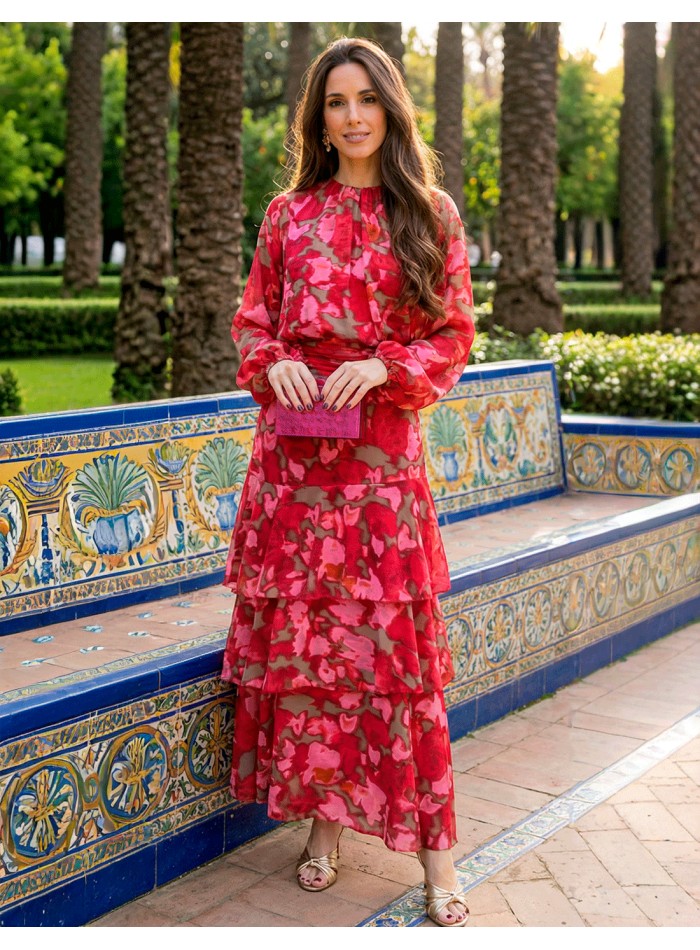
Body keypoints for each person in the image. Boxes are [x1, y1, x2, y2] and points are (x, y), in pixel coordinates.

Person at [221, 36, 475, 927]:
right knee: (316, 661)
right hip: (293, 476)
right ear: (318, 118)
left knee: (399, 669)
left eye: (367, 98)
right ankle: (323, 830)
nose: (354, 115)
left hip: (379, 481)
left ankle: (438, 861)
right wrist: (275, 363)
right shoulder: (287, 216)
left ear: (391, 107)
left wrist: (384, 366)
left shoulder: (430, 214)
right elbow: (253, 324)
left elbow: (453, 336)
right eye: (336, 102)